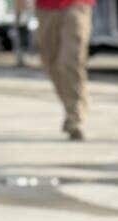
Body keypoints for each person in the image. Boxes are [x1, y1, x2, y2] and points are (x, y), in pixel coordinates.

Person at [34, 0, 94, 141]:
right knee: (51, 63)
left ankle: (75, 116)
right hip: (46, 7)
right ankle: (72, 106)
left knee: (71, 60)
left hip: (77, 5)